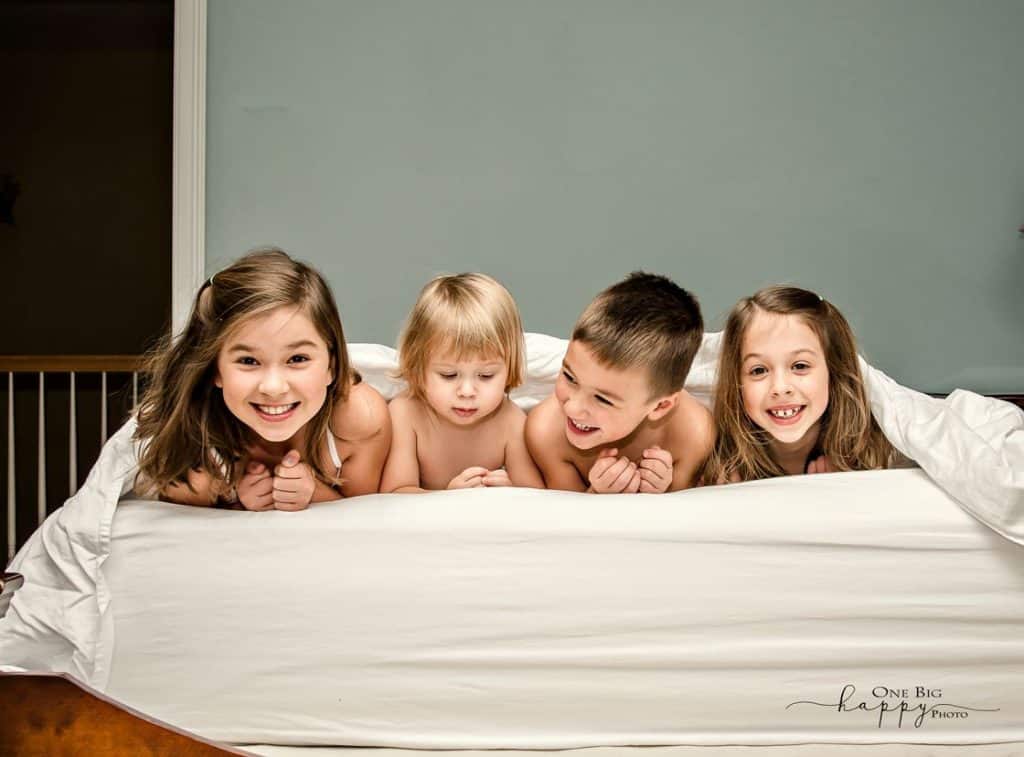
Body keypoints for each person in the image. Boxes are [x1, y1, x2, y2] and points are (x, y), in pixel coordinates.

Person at [134, 248, 391, 509]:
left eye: (297, 359)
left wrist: (314, 492)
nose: (273, 387)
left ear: (332, 367)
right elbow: (187, 528)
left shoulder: (360, 417)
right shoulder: (196, 448)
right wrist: (236, 500)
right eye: (248, 361)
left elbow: (362, 516)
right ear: (215, 370)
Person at [525, 272, 713, 493]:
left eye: (603, 399)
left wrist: (665, 492)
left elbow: (683, 518)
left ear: (660, 407)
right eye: (569, 377)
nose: (572, 407)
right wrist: (594, 494)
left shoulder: (692, 433)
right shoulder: (546, 431)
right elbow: (566, 518)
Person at [700, 285, 893, 484]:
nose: (780, 388)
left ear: (834, 371)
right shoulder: (711, 462)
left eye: (800, 366)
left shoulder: (880, 450)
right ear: (736, 381)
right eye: (758, 370)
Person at [381, 273, 544, 492]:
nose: (467, 391)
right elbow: (395, 493)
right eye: (448, 375)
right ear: (417, 367)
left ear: (509, 369)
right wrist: (449, 498)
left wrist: (512, 490)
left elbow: (537, 498)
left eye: (486, 376)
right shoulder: (406, 413)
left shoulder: (511, 421)